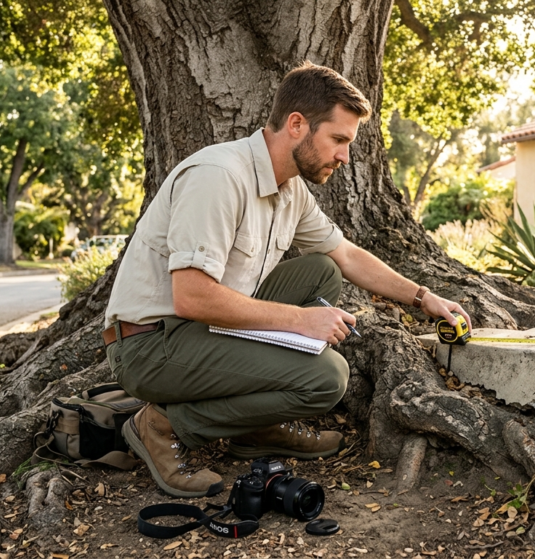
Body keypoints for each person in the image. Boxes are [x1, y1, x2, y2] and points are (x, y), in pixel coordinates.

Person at [103, 62, 472, 498]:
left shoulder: (290, 190)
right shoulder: (219, 177)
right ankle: (162, 426)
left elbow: (348, 255)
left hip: (202, 329)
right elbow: (192, 297)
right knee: (327, 378)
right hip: (150, 345)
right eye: (338, 140)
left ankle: (253, 429)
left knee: (322, 270)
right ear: (297, 124)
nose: (344, 157)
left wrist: (423, 297)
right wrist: (299, 321)